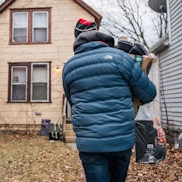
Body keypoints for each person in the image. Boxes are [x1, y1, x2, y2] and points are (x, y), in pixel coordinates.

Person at [62, 29, 157, 182]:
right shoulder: (121, 58)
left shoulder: (69, 67)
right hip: (121, 139)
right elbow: (149, 93)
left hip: (90, 142)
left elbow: (73, 101)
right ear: (107, 43)